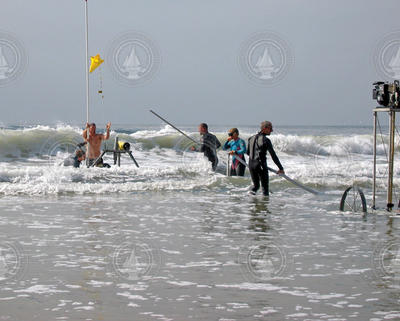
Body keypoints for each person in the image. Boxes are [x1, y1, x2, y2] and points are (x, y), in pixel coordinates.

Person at [247, 121, 284, 196]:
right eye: (270, 128)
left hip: (251, 165)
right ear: (264, 129)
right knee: (265, 189)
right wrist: (280, 168)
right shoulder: (265, 140)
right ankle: (264, 207)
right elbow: (273, 155)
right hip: (260, 165)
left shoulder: (251, 138)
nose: (272, 130)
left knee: (256, 186)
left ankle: (251, 203)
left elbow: (248, 152)